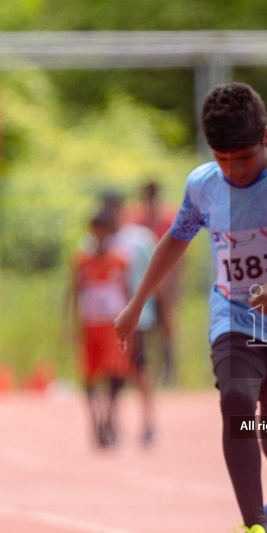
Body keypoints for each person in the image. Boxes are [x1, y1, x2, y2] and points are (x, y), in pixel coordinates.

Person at [114, 83, 267, 533]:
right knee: (236, 398)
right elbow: (174, 241)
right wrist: (137, 302)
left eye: (244, 157)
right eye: (224, 159)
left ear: (266, 137)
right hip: (234, 316)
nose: (235, 170)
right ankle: (255, 530)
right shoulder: (203, 184)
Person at [69, 209, 133, 448]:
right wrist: (71, 323)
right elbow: (74, 293)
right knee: (90, 375)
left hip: (112, 326)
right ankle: (95, 421)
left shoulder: (121, 260)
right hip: (91, 324)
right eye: (96, 229)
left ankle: (110, 420)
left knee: (115, 374)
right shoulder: (82, 260)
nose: (100, 235)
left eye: (105, 230)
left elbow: (127, 292)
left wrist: (130, 323)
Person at [106, 190, 159, 446]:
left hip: (139, 315)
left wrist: (163, 313)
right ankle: (111, 424)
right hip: (107, 320)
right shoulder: (96, 242)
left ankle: (149, 423)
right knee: (112, 373)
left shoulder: (140, 240)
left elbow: (157, 275)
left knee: (140, 367)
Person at [129, 180, 179, 385]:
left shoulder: (168, 218)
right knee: (140, 327)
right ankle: (140, 372)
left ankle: (169, 372)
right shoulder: (135, 219)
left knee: (166, 326)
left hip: (165, 281)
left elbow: (179, 253)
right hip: (144, 281)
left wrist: (174, 283)